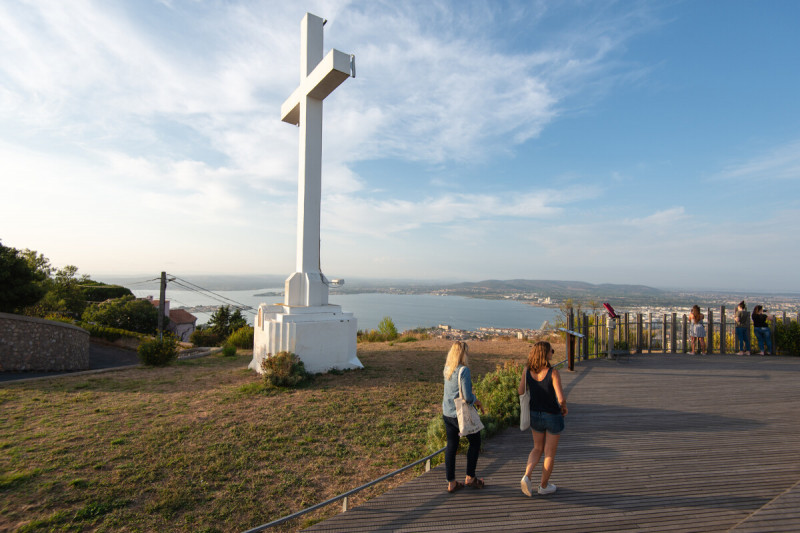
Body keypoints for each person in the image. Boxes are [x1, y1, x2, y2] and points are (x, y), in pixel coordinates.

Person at [518, 341, 568, 497]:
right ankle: (543, 486)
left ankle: (527, 475)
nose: (552, 353)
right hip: (552, 415)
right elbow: (560, 398)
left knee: (537, 448)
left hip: (535, 414)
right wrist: (564, 407)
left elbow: (520, 390)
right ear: (545, 353)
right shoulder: (552, 372)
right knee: (549, 453)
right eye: (551, 351)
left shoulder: (527, 370)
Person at [441, 341, 485, 493]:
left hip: (447, 413)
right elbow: (466, 397)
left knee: (451, 447)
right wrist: (476, 400)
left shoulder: (447, 369)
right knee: (475, 441)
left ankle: (451, 482)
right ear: (463, 353)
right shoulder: (463, 371)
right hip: (460, 415)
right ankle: (470, 477)